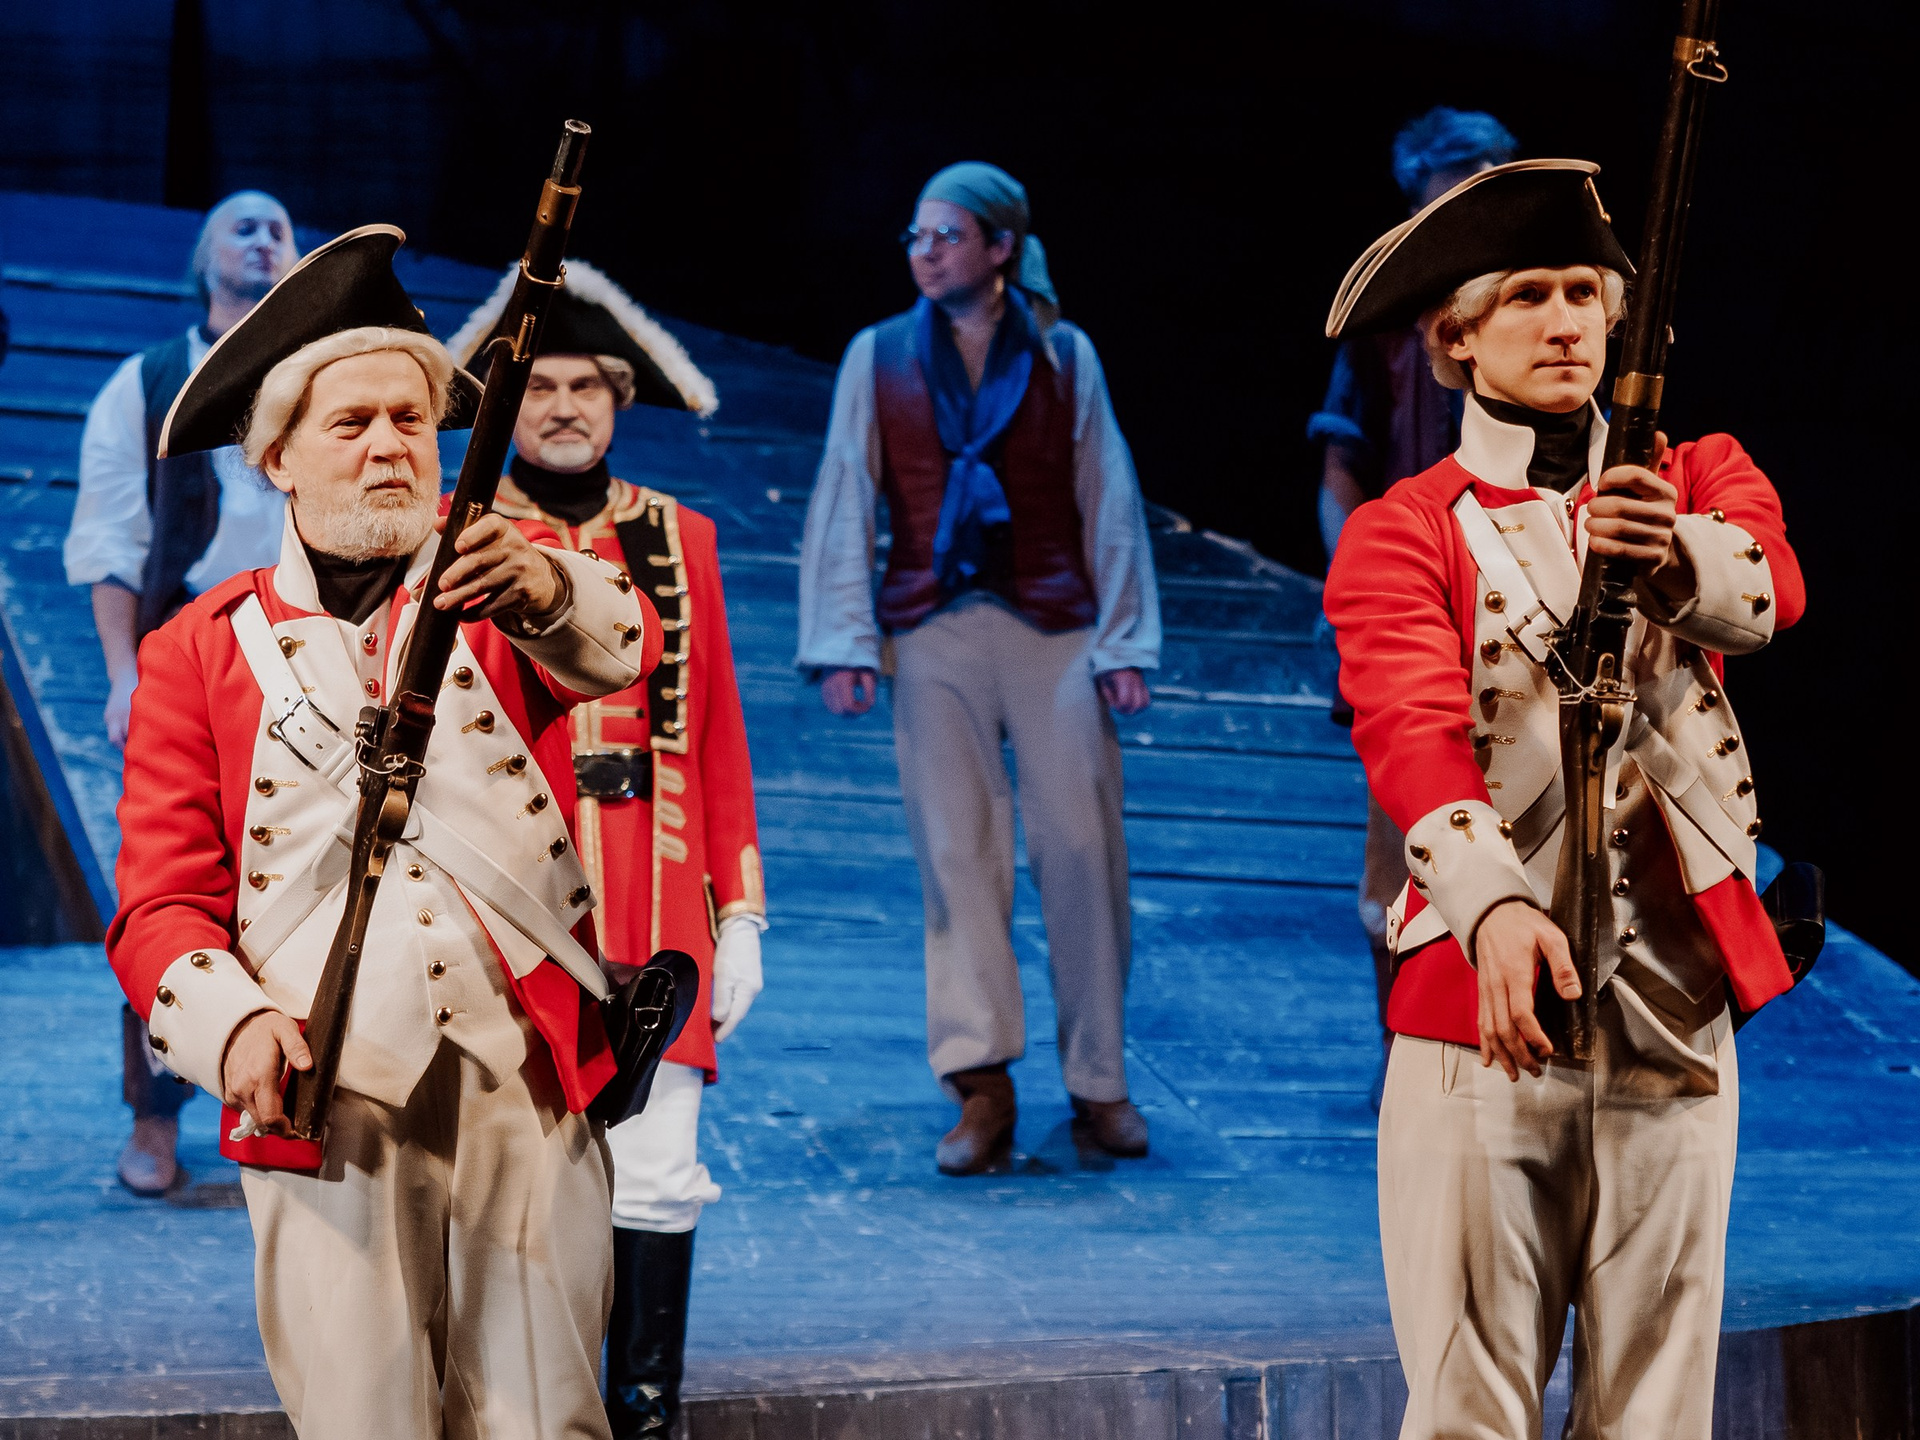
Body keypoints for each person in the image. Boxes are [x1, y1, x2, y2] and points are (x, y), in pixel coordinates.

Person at [105, 226, 657, 1440]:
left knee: (550, 1417)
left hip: (526, 1070)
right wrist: (233, 1026)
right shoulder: (196, 651)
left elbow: (623, 647)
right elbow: (159, 901)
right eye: (351, 423)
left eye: (410, 419)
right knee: (364, 1419)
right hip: (323, 1091)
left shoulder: (499, 578)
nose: (390, 445)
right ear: (277, 458)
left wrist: (544, 585)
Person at [1321, 160, 1805, 1436]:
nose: (1564, 322)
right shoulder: (1403, 529)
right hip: (1484, 1023)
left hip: (1673, 1018)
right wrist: (1490, 910)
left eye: (1585, 292)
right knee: (1470, 1405)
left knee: (1659, 1410)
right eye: (1527, 295)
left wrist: (1667, 550)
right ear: (1456, 336)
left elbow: (1768, 590)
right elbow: (1412, 732)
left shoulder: (1695, 477)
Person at [796, 162, 1161, 1175]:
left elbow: (1107, 493)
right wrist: (845, 643)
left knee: (1081, 851)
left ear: (1001, 247)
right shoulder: (878, 355)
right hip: (933, 631)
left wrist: (1125, 642)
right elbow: (845, 495)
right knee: (957, 855)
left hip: (1055, 627)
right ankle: (981, 1080)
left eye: (947, 236)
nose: (925, 253)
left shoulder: (1063, 352)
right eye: (916, 237)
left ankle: (1100, 1080)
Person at [449, 261, 754, 1439]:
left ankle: (645, 1416)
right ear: (504, 403)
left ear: (620, 400)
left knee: (660, 1170)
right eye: (539, 386)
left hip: (659, 899)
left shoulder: (683, 536)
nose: (564, 406)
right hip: (508, 903)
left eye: (587, 386)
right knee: (508, 1180)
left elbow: (717, 732)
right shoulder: (459, 535)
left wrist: (742, 911)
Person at [62, 189, 300, 1196]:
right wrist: (127, 675)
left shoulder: (321, 373)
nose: (261, 240)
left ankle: (285, 1102)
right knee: (169, 883)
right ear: (204, 258)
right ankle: (155, 1117)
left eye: (278, 229)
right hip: (188, 656)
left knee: (307, 881)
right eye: (241, 226)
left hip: (313, 653)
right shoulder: (149, 381)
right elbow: (111, 541)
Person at [1308, 109, 1518, 1106]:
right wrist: (1365, 582)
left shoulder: (1538, 306)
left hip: (1524, 608)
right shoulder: (1389, 325)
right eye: (1454, 193)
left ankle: (1513, 1042)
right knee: (1402, 850)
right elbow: (1341, 468)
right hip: (1418, 609)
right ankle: (1407, 1049)